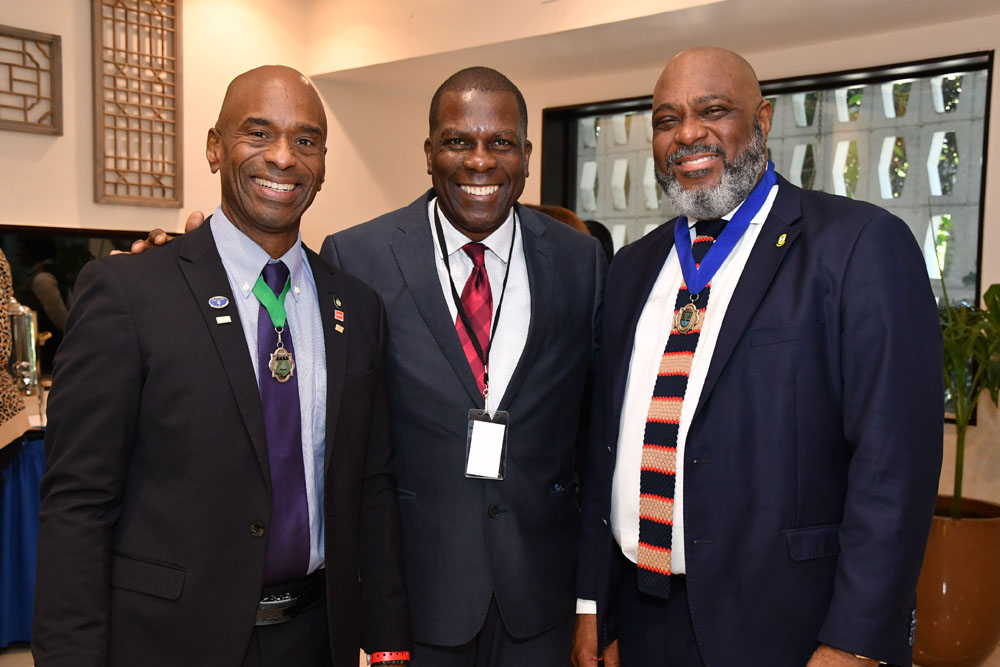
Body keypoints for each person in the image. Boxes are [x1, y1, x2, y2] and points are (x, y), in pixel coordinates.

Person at [573, 47, 942, 667]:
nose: (688, 134)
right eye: (667, 120)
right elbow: (604, 446)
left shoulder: (857, 246)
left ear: (762, 120)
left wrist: (854, 642)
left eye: (713, 111)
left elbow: (893, 465)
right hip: (641, 614)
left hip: (788, 627)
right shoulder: (633, 267)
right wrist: (594, 603)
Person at [33, 66, 411, 667]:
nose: (283, 157)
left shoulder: (357, 307)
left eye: (306, 140)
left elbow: (372, 484)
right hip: (169, 640)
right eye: (258, 133)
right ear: (214, 147)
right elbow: (78, 502)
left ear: (322, 165)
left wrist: (389, 641)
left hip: (315, 637)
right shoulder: (130, 291)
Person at [321, 67, 605, 665]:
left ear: (527, 156)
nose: (480, 161)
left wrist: (592, 598)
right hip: (417, 595)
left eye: (501, 142)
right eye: (458, 141)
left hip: (542, 595)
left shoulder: (580, 259)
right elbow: (340, 433)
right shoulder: (358, 256)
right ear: (429, 153)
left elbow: (593, 431)